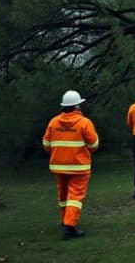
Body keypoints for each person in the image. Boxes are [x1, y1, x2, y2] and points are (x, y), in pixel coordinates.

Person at [42, 90, 99, 240]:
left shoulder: (53, 122)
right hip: (79, 166)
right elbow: (94, 145)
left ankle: (65, 220)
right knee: (75, 196)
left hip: (59, 166)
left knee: (63, 195)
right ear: (77, 106)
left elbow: (46, 144)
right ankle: (70, 227)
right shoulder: (84, 122)